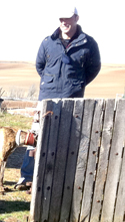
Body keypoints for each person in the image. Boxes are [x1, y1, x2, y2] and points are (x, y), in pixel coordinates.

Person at [17, 5, 101, 190]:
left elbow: (94, 68)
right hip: (47, 98)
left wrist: (76, 84)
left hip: (72, 99)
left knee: (67, 138)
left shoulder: (88, 43)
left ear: (76, 18)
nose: (64, 22)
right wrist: (50, 83)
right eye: (61, 19)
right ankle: (27, 177)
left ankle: (58, 178)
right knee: (35, 137)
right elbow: (40, 66)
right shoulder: (48, 42)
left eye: (68, 18)